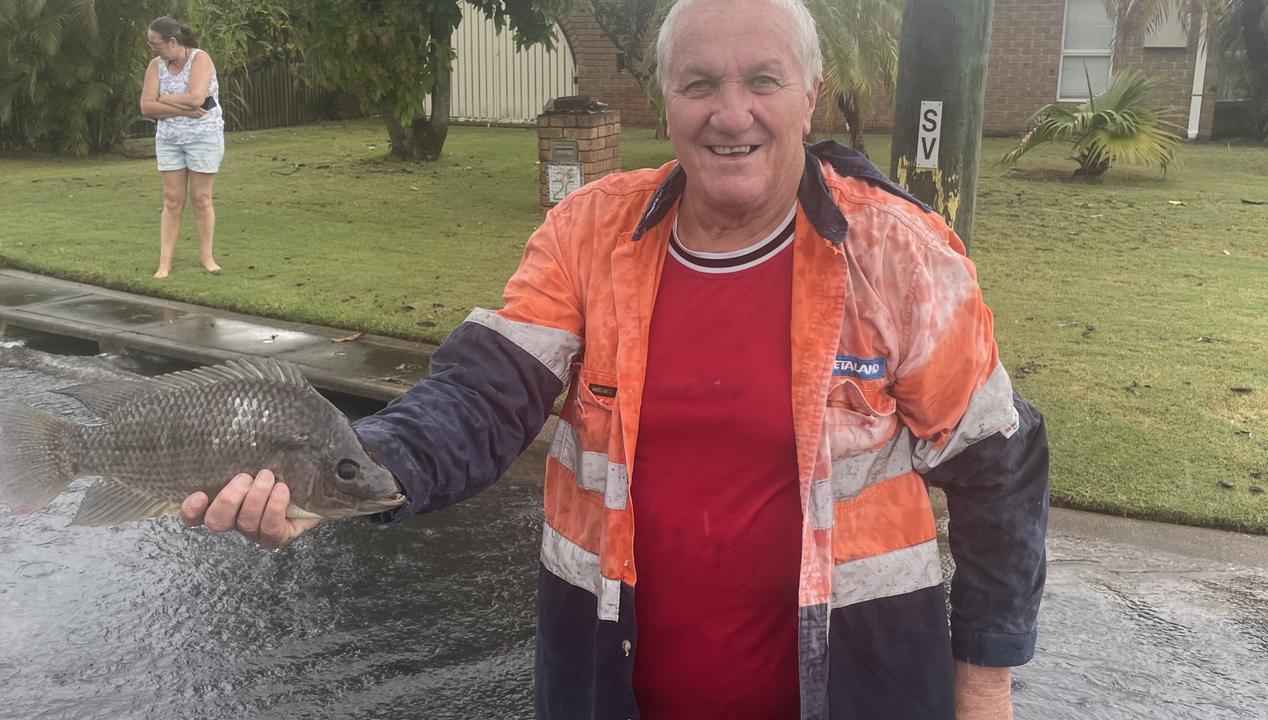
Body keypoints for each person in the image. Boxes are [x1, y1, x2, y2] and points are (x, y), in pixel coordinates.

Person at [181, 0, 1050, 718]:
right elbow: (482, 398)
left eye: (762, 81)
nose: (731, 111)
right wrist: (351, 471)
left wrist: (984, 686)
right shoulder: (590, 233)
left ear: (810, 97)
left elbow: (999, 467)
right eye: (700, 83)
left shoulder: (895, 253)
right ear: (663, 100)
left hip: (860, 690)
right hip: (607, 686)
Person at [138, 16, 224, 279]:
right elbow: (146, 107)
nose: (154, 50)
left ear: (173, 41)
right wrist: (182, 108)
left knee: (201, 198)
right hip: (169, 139)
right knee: (172, 200)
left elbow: (197, 98)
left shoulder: (200, 59)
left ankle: (207, 258)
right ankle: (165, 264)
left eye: (156, 44)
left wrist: (163, 99)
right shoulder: (156, 66)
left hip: (203, 137)